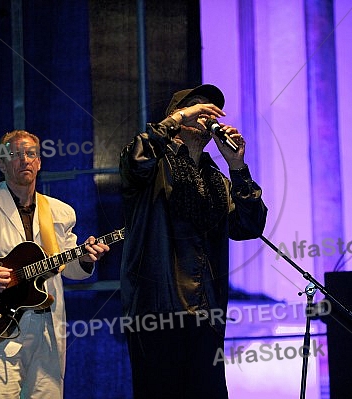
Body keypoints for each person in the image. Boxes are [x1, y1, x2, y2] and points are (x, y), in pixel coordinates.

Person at [0, 129, 110, 398]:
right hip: (0, 326)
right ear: (1, 163)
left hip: (47, 328)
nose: (25, 159)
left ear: (39, 162)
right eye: (15, 154)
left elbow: (67, 268)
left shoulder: (60, 211)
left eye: (31, 154)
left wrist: (83, 258)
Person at [119, 84, 267, 398]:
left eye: (210, 109)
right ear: (178, 118)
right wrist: (178, 117)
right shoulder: (153, 167)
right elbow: (136, 158)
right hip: (157, 314)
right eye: (198, 107)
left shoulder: (217, 178)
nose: (205, 114)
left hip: (207, 313)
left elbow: (250, 226)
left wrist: (237, 166)